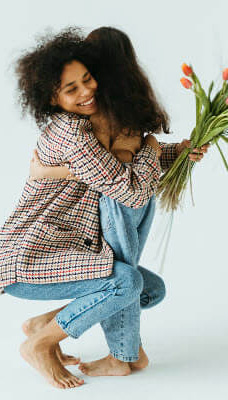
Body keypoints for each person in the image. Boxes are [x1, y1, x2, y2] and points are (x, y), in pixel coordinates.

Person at [26, 27, 209, 378]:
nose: (87, 88)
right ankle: (122, 356)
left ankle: (49, 325)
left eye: (88, 77)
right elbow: (123, 175)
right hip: (117, 205)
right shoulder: (85, 120)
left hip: (129, 201)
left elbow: (129, 161)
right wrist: (155, 149)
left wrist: (177, 151)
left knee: (146, 288)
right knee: (126, 279)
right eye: (75, 84)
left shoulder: (112, 107)